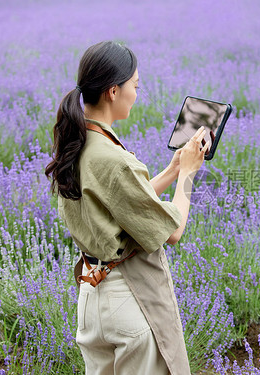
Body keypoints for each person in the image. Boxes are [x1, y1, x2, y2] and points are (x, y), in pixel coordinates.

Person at [45, 41, 208, 375]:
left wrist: (173, 169)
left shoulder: (77, 144)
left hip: (92, 300)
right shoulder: (114, 159)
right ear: (113, 91)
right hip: (129, 301)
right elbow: (172, 231)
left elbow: (123, 200)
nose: (137, 93)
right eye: (135, 86)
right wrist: (188, 176)